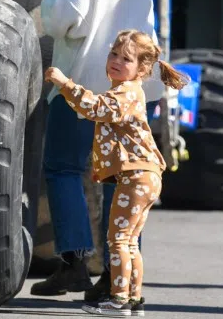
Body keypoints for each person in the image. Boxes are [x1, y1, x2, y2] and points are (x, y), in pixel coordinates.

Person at [18, 0, 165, 302]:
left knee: (63, 168)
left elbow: (69, 16)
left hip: (83, 78)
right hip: (132, 85)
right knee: (122, 179)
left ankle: (74, 263)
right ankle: (115, 280)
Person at [45, 30, 186, 317]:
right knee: (130, 241)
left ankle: (119, 300)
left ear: (142, 69)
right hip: (145, 175)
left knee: (119, 240)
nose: (117, 62)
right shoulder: (129, 92)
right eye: (114, 54)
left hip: (136, 176)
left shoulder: (126, 92)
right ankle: (133, 299)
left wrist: (64, 83)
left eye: (126, 59)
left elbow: (96, 108)